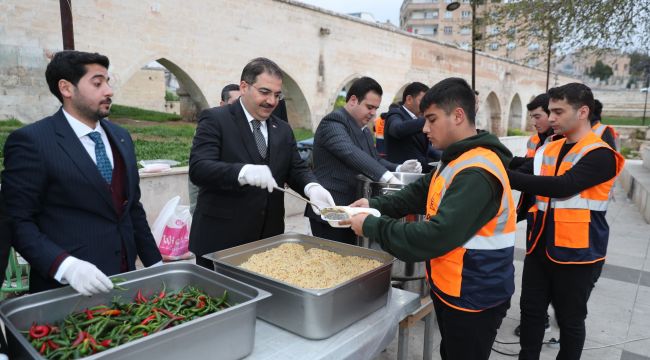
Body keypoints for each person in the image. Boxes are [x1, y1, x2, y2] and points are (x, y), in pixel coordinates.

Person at [347, 77, 515, 359]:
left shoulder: (477, 172)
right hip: (453, 286)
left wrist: (372, 225)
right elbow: (418, 193)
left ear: (458, 116)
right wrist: (374, 205)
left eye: (432, 119)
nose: (424, 128)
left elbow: (434, 236)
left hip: (475, 294)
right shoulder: (456, 158)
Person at [1, 51, 162, 296]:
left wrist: (155, 265)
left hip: (124, 281)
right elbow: (18, 220)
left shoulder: (121, 137)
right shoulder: (32, 142)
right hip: (66, 291)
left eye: (108, 82)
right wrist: (65, 266)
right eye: (97, 83)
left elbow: (132, 209)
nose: (108, 91)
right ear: (66, 88)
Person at [507, 83, 624, 359]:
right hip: (539, 247)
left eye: (558, 111)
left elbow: (563, 186)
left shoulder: (600, 154)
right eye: (550, 111)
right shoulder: (549, 148)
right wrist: (485, 156)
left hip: (578, 254)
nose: (551, 118)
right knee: (531, 314)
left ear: (583, 111)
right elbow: (522, 166)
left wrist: (503, 176)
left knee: (570, 321)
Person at [189, 57, 334, 269]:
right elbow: (199, 168)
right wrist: (242, 172)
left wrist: (311, 187)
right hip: (221, 242)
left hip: (269, 242)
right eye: (264, 92)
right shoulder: (215, 119)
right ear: (244, 87)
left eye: (277, 95)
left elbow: (295, 168)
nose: (272, 101)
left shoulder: (283, 129)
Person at [306, 77, 422, 245]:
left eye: (375, 108)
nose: (373, 113)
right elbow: (350, 152)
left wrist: (399, 168)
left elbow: (373, 160)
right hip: (331, 209)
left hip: (355, 208)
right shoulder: (333, 122)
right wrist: (389, 179)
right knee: (332, 262)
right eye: (369, 107)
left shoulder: (364, 131)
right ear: (353, 100)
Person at [510, 93, 557, 337]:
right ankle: (535, 319)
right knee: (534, 274)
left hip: (556, 222)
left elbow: (532, 173)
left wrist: (497, 172)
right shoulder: (539, 140)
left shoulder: (559, 143)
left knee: (546, 275)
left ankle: (542, 317)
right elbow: (527, 165)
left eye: (538, 116)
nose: (534, 121)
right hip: (535, 214)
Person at [188, 84, 241, 215]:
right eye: (234, 103)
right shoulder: (211, 125)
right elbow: (198, 168)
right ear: (222, 104)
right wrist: (195, 207)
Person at [384, 82, 436, 172]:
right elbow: (397, 129)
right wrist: (429, 118)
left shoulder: (419, 120)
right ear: (409, 99)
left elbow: (427, 149)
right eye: (422, 101)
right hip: (400, 176)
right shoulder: (396, 113)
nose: (425, 106)